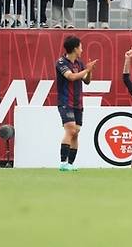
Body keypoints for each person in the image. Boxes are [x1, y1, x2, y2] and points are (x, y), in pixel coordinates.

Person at [55, 35, 97, 171]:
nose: (82, 50)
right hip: (65, 102)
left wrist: (89, 72)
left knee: (76, 132)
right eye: (81, 47)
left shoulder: (79, 63)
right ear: (75, 48)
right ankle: (62, 163)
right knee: (71, 130)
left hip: (78, 103)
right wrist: (87, 70)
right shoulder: (61, 62)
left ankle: (70, 164)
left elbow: (87, 81)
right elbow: (71, 77)